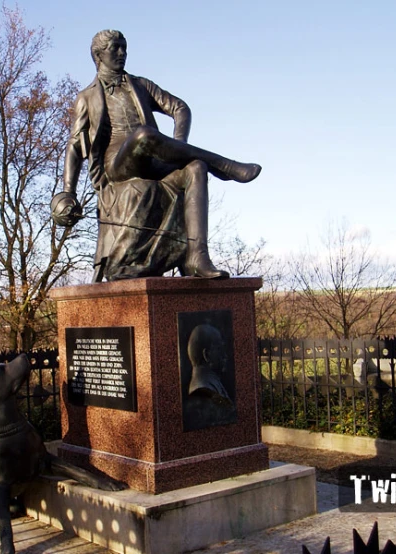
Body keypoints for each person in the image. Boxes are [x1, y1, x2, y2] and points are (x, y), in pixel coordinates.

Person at [58, 29, 262, 281]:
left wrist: (177, 147)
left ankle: (197, 257)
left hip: (152, 157)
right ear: (99, 55)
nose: (122, 53)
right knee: (144, 136)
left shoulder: (141, 85)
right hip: (117, 164)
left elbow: (180, 108)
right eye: (115, 48)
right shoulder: (86, 97)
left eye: (124, 47)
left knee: (196, 167)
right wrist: (68, 191)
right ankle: (223, 165)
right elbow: (75, 146)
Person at [184, 323, 236, 430]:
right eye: (220, 349)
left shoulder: (212, 383)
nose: (225, 356)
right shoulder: (202, 388)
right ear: (207, 355)